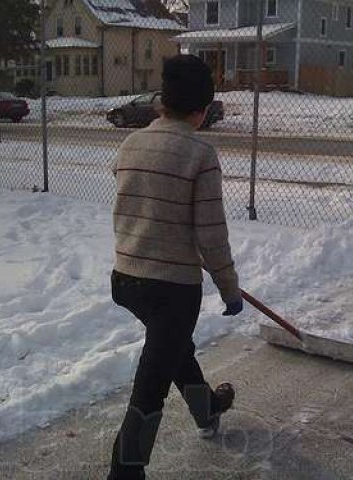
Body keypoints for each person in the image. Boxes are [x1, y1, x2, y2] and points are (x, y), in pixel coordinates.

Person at [107, 54, 243, 480]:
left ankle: (208, 411)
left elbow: (141, 203)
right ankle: (124, 473)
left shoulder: (131, 143)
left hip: (126, 280)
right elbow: (211, 235)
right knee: (151, 385)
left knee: (174, 350)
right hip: (171, 289)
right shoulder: (200, 151)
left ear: (162, 102)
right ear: (201, 110)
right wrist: (229, 288)